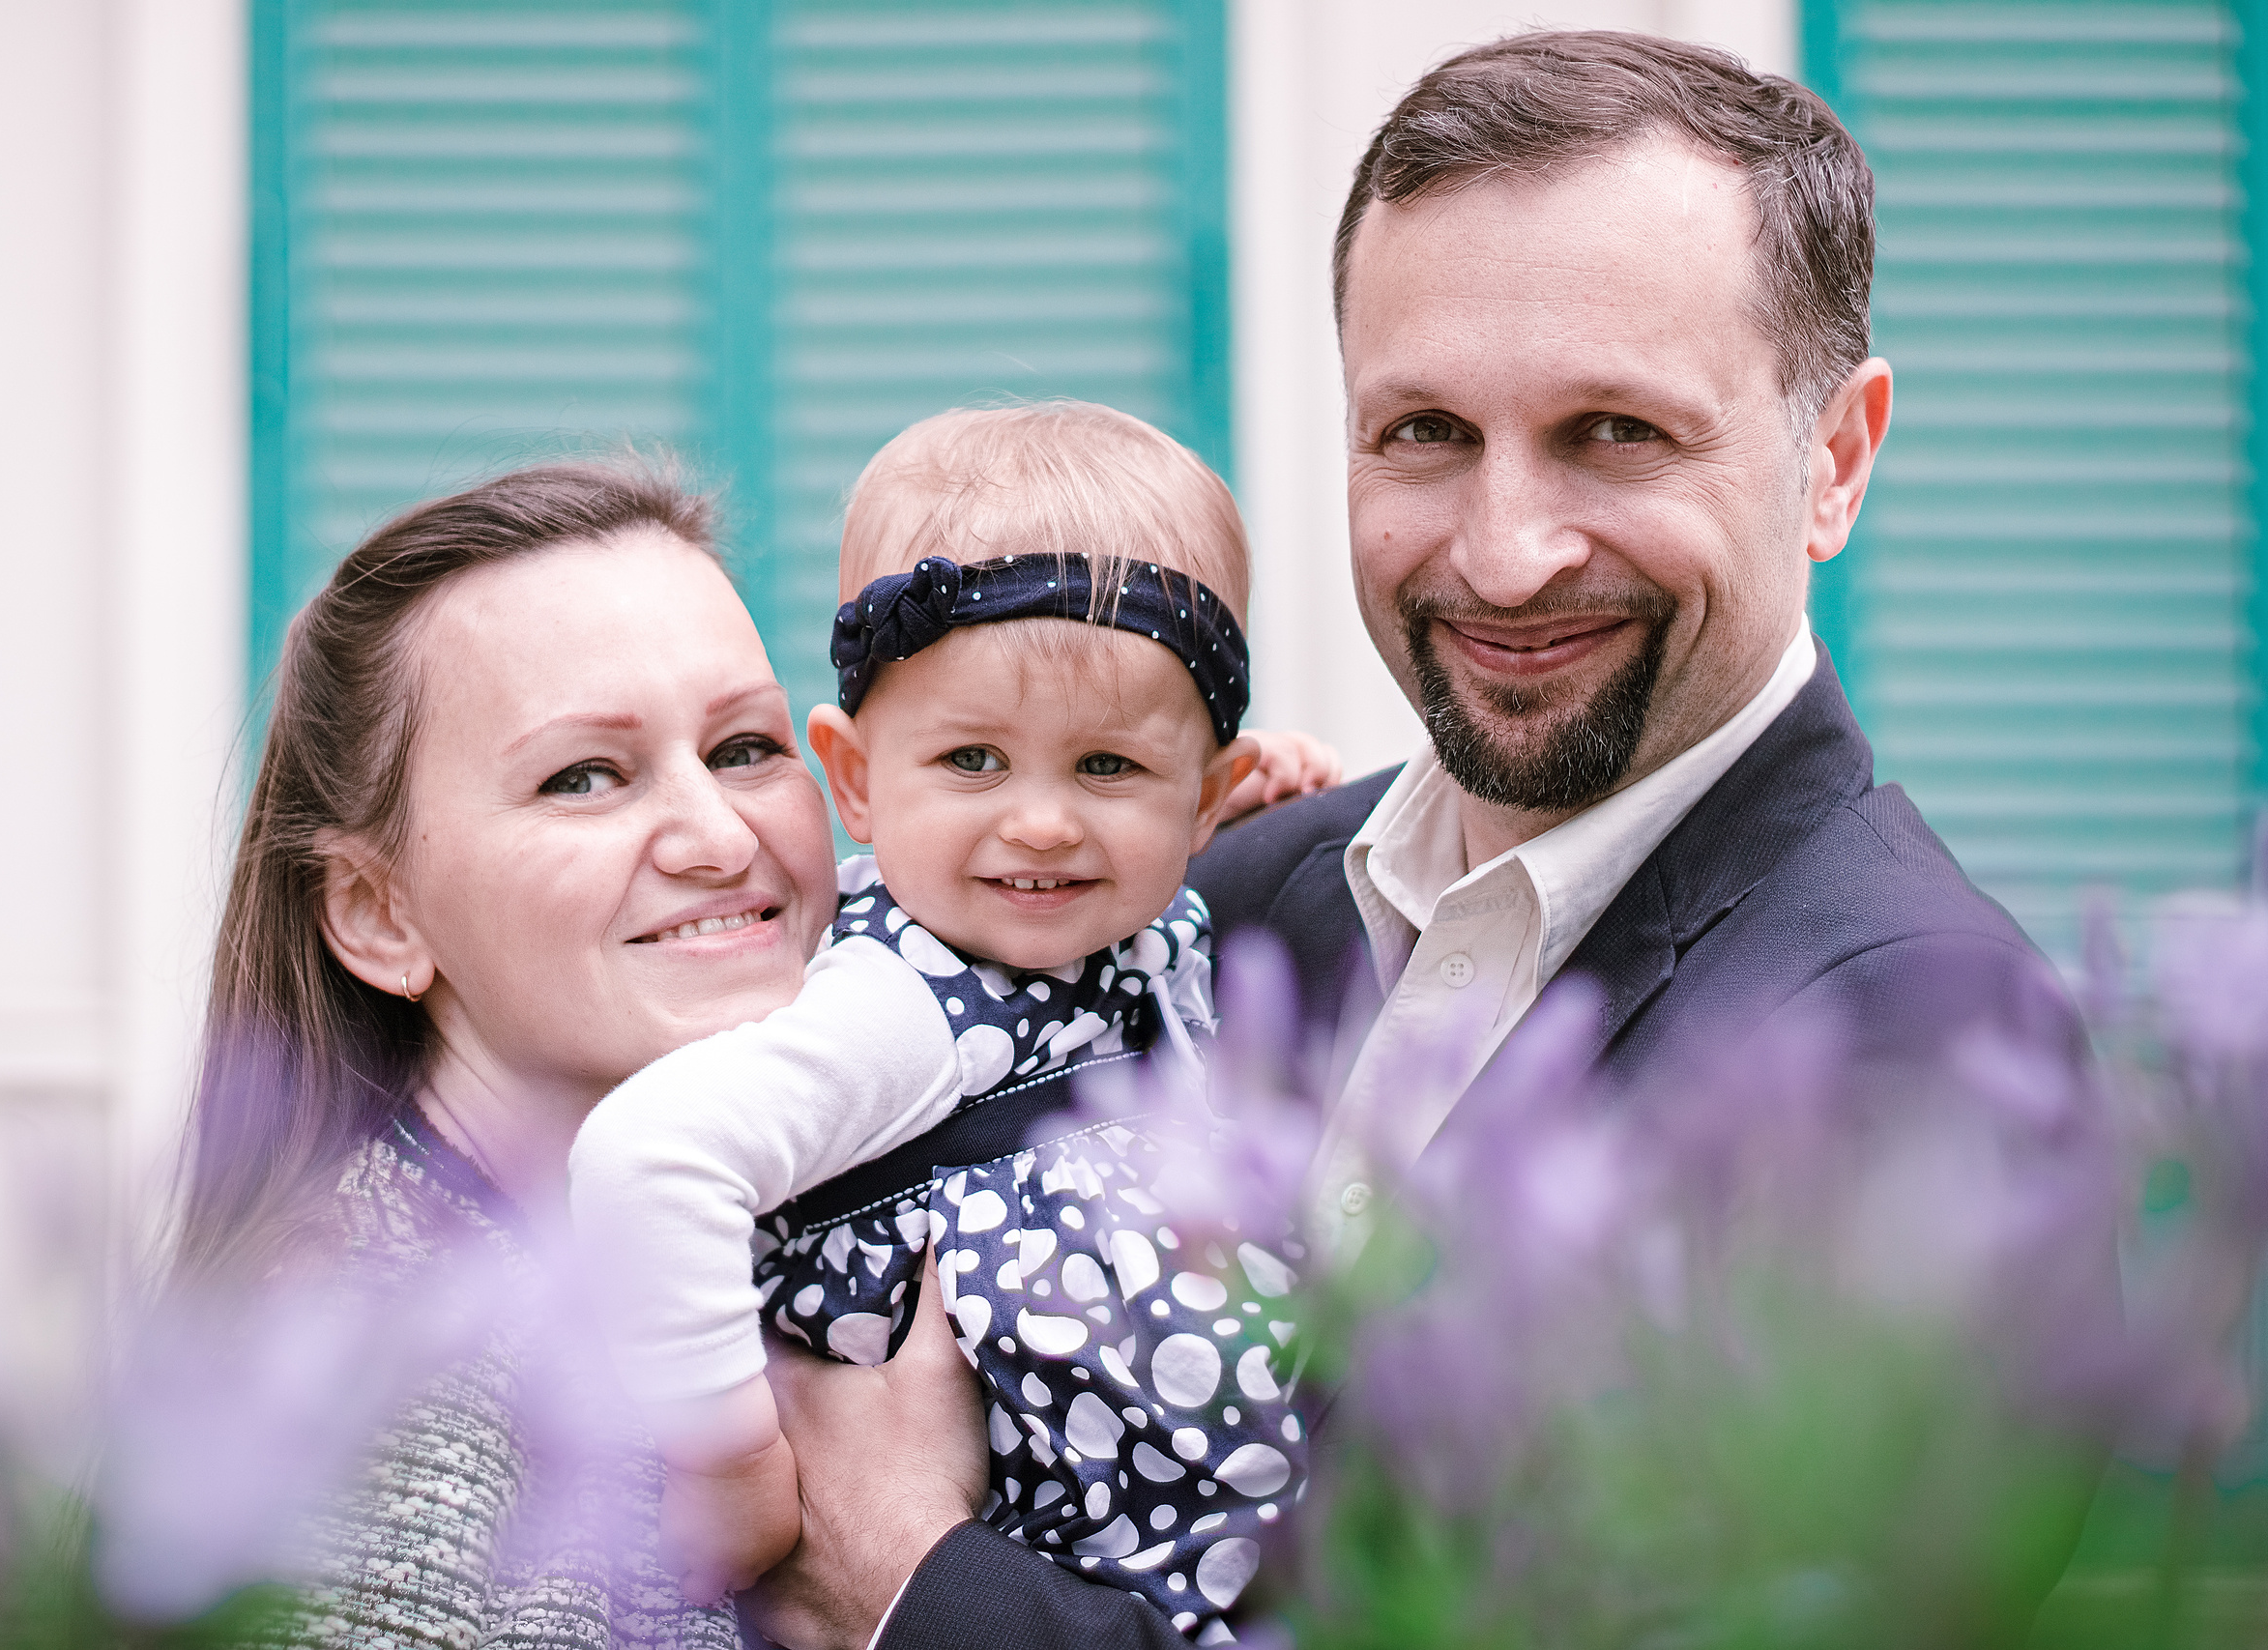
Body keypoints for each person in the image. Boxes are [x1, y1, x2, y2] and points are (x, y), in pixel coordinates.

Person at [739, 31, 2089, 1650]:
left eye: (1617, 434)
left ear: (1837, 459)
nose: (1505, 555)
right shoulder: (1220, 894)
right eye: (1425, 433)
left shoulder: (1923, 1040)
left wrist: (912, 1574)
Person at [163, 452, 1338, 1647]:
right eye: (584, 777)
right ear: (378, 911)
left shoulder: (811, 1138)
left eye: (741, 750)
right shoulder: (382, 1399)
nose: (721, 839)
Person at [567, 404, 1308, 1638]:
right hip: (1032, 1567)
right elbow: (649, 1161)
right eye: (972, 761)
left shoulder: (1097, 930)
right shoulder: (897, 1010)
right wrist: (732, 1463)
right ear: (854, 780)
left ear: (1205, 797)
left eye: (1108, 769)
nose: (1041, 824)